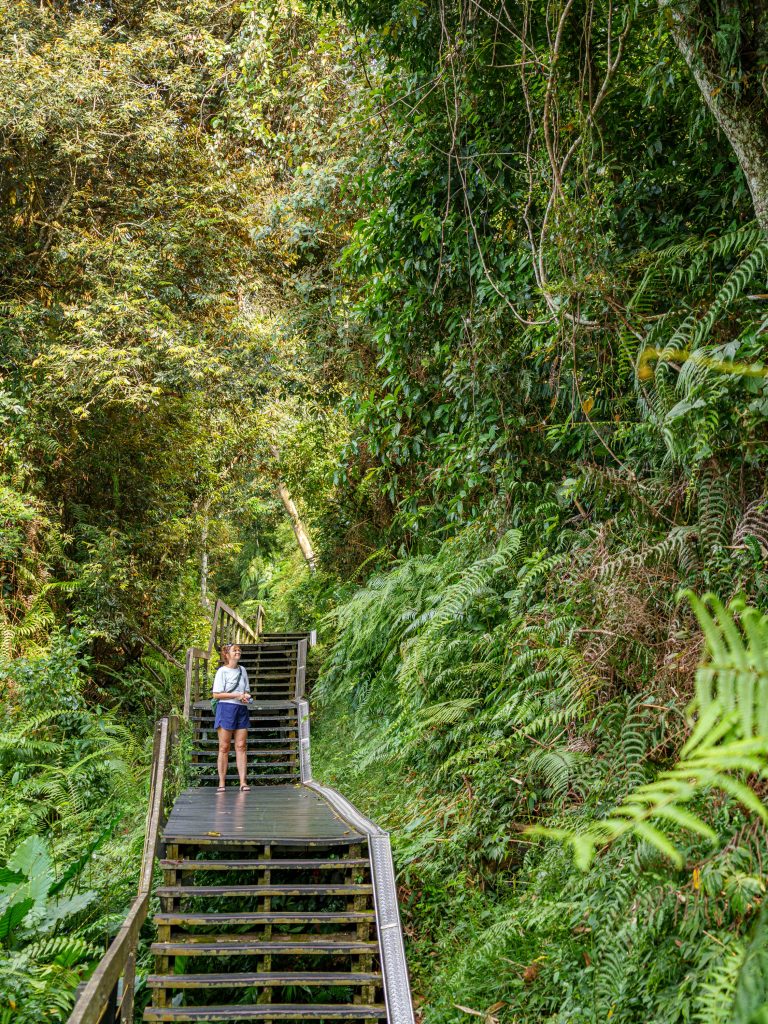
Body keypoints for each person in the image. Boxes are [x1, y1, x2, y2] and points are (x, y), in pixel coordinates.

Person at [212, 643, 251, 792]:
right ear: (227, 655)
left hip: (241, 709)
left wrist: (246, 697)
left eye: (239, 650)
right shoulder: (222, 672)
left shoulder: (243, 670)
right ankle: (222, 783)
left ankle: (243, 782)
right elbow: (216, 694)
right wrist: (236, 695)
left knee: (241, 746)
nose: (238, 652)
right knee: (224, 747)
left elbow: (246, 691)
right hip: (226, 708)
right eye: (234, 650)